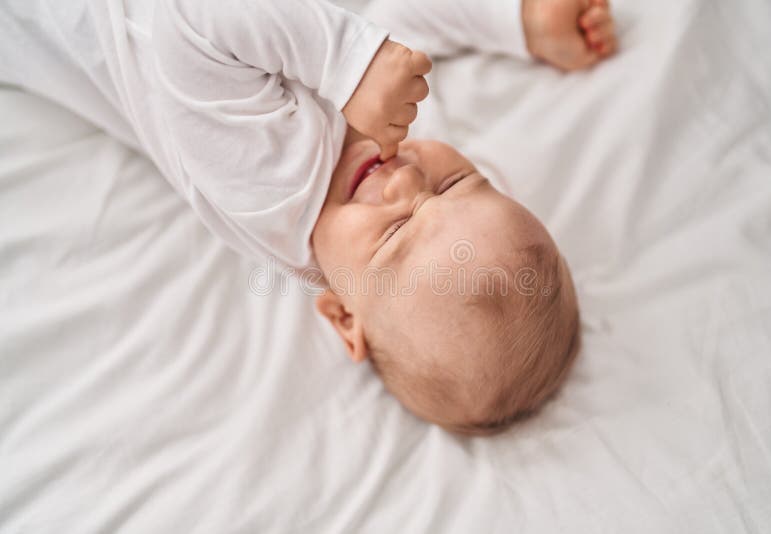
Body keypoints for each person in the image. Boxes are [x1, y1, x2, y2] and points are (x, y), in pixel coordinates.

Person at [0, 0, 617, 434]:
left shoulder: (275, 183)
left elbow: (190, 16)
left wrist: (350, 60)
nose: (404, 181)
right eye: (456, 182)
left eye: (396, 233)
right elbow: (395, 18)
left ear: (344, 315)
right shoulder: (360, 164)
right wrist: (516, 21)